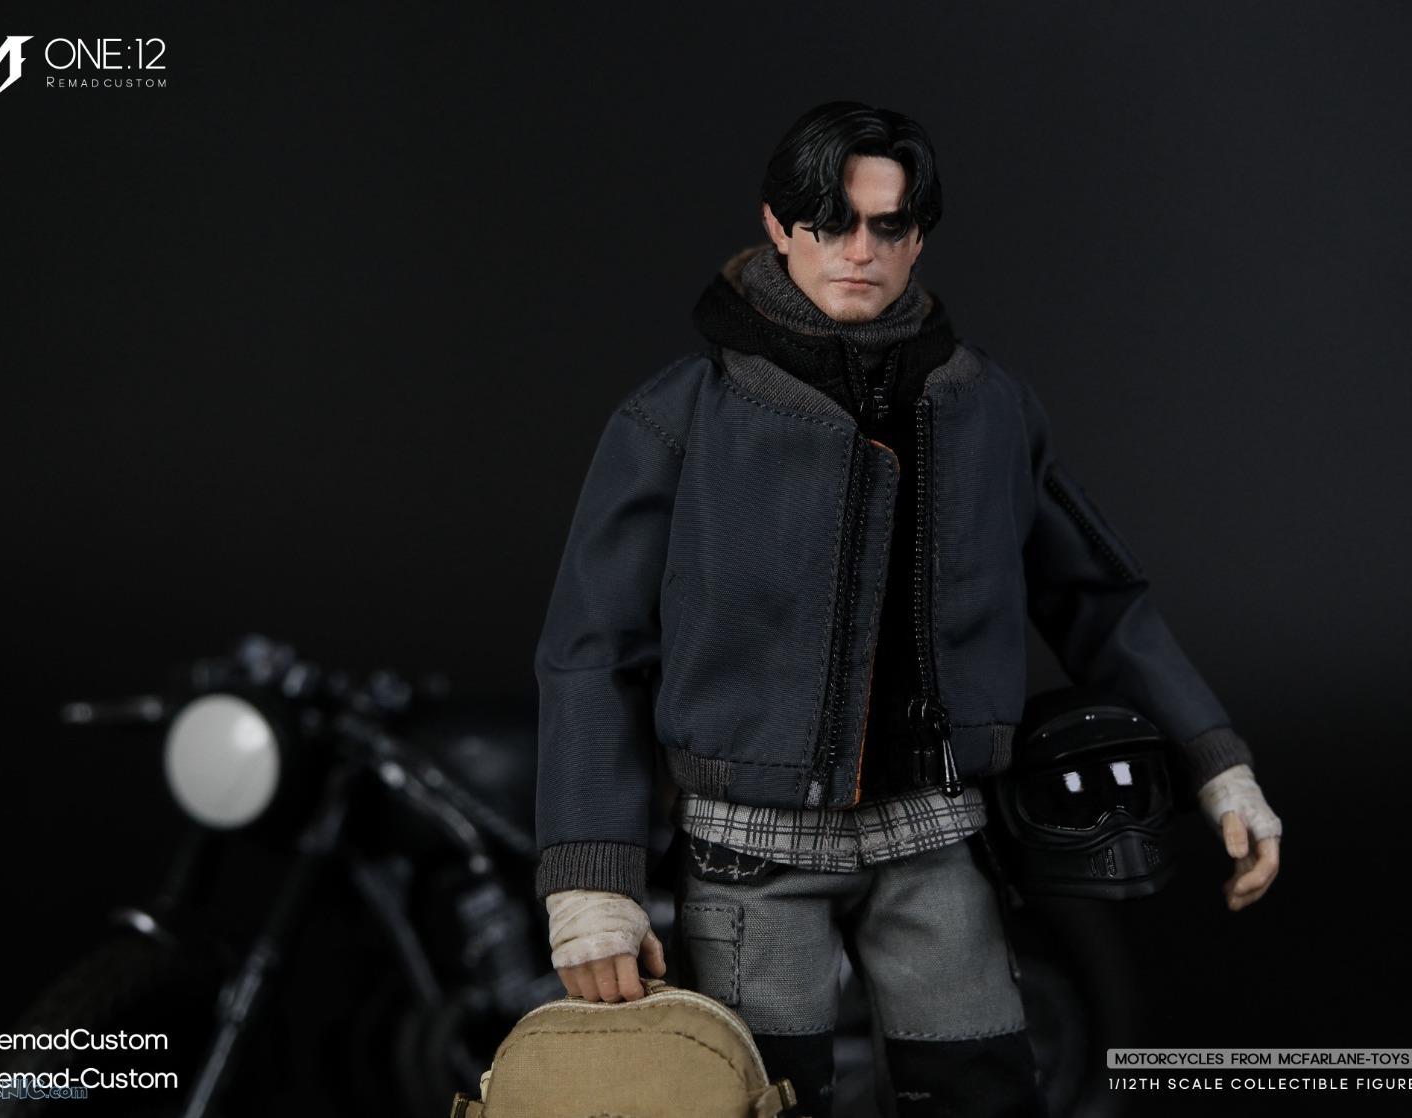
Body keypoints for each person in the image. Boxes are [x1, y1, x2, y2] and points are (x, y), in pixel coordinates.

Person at [532, 101, 1281, 1117]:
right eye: (830, 223)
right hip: (749, 850)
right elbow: (592, 650)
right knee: (758, 1096)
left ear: (918, 235)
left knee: (980, 1087)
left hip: (935, 835)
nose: (859, 250)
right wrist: (591, 877)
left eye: (888, 226)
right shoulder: (679, 420)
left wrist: (1216, 761)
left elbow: (1097, 598)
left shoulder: (988, 409)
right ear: (777, 224)